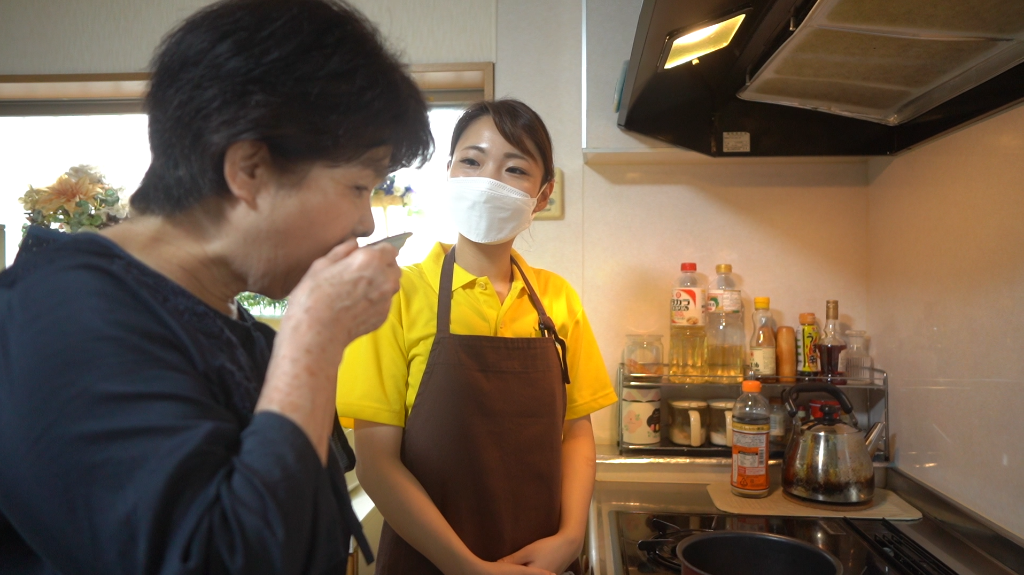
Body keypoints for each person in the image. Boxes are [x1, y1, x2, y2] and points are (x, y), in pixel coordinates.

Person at [0, 1, 432, 573]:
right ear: (249, 169)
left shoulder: (225, 320)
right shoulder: (60, 317)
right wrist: (313, 341)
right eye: (358, 186)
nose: (367, 224)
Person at [337, 99, 618, 575]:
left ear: (543, 195)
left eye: (515, 169)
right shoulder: (395, 297)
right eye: (472, 160)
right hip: (427, 560)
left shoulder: (558, 299)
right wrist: (466, 567)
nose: (489, 181)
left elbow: (576, 433)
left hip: (540, 561)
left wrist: (569, 539)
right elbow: (377, 463)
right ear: (448, 173)